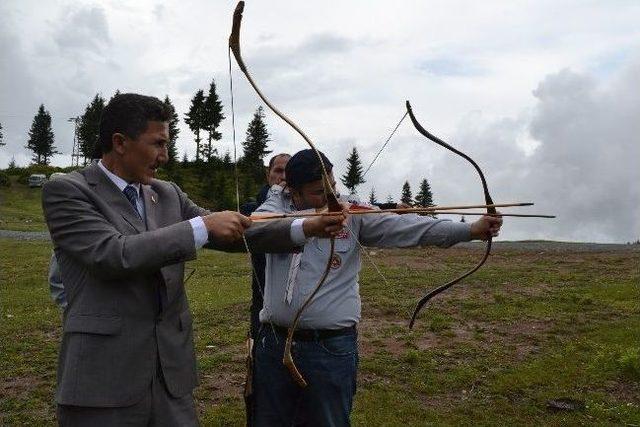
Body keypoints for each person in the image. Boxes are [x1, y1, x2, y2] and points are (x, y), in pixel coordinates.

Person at [42, 94, 346, 426]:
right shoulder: (68, 191)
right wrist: (199, 226)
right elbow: (112, 254)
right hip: (102, 380)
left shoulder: (167, 193)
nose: (165, 155)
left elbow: (235, 232)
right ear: (120, 142)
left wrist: (306, 227)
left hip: (171, 379)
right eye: (158, 144)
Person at [252, 149, 502, 426]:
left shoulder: (352, 212)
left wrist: (470, 231)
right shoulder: (275, 213)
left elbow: (407, 227)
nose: (332, 199)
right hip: (274, 344)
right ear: (294, 192)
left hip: (330, 348)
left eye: (333, 188)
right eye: (318, 192)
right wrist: (306, 223)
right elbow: (252, 232)